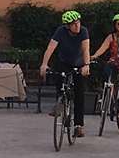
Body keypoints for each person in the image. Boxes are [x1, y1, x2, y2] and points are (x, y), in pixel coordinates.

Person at [38, 10, 92, 138]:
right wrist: (44, 64)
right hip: (64, 62)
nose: (77, 26)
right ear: (67, 26)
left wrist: (86, 65)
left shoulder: (83, 31)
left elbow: (85, 49)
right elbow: (50, 48)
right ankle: (61, 102)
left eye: (78, 23)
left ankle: (79, 125)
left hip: (79, 63)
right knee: (59, 77)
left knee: (79, 93)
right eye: (73, 24)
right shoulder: (61, 31)